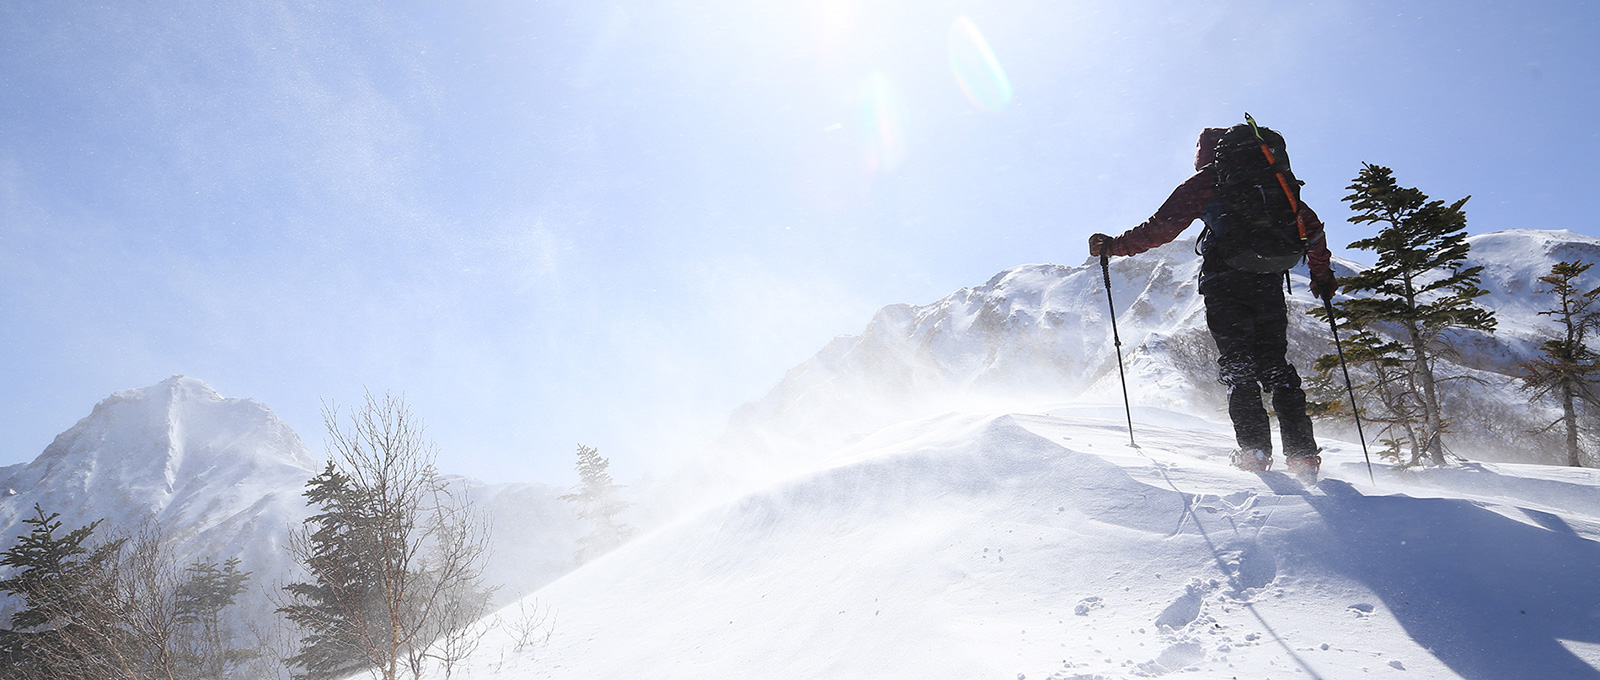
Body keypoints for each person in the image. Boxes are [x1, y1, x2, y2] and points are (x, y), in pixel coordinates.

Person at [1088, 122, 1337, 481]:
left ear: (1206, 155)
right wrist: (1322, 277)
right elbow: (1312, 230)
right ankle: (1302, 456)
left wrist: (1115, 246)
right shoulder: (1277, 182)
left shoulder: (1209, 180)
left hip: (1226, 283)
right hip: (1267, 284)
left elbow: (1161, 227)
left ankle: (1254, 453)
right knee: (1276, 366)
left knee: (1239, 366)